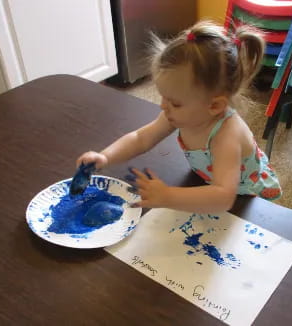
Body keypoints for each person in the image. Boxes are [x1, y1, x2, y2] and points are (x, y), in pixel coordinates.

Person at [77, 21, 281, 213]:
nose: (163, 106)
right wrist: (105, 157)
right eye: (163, 97)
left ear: (215, 105)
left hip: (244, 195)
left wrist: (168, 196)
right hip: (206, 181)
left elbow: (223, 197)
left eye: (174, 102)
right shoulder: (179, 114)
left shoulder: (227, 135)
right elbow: (141, 139)